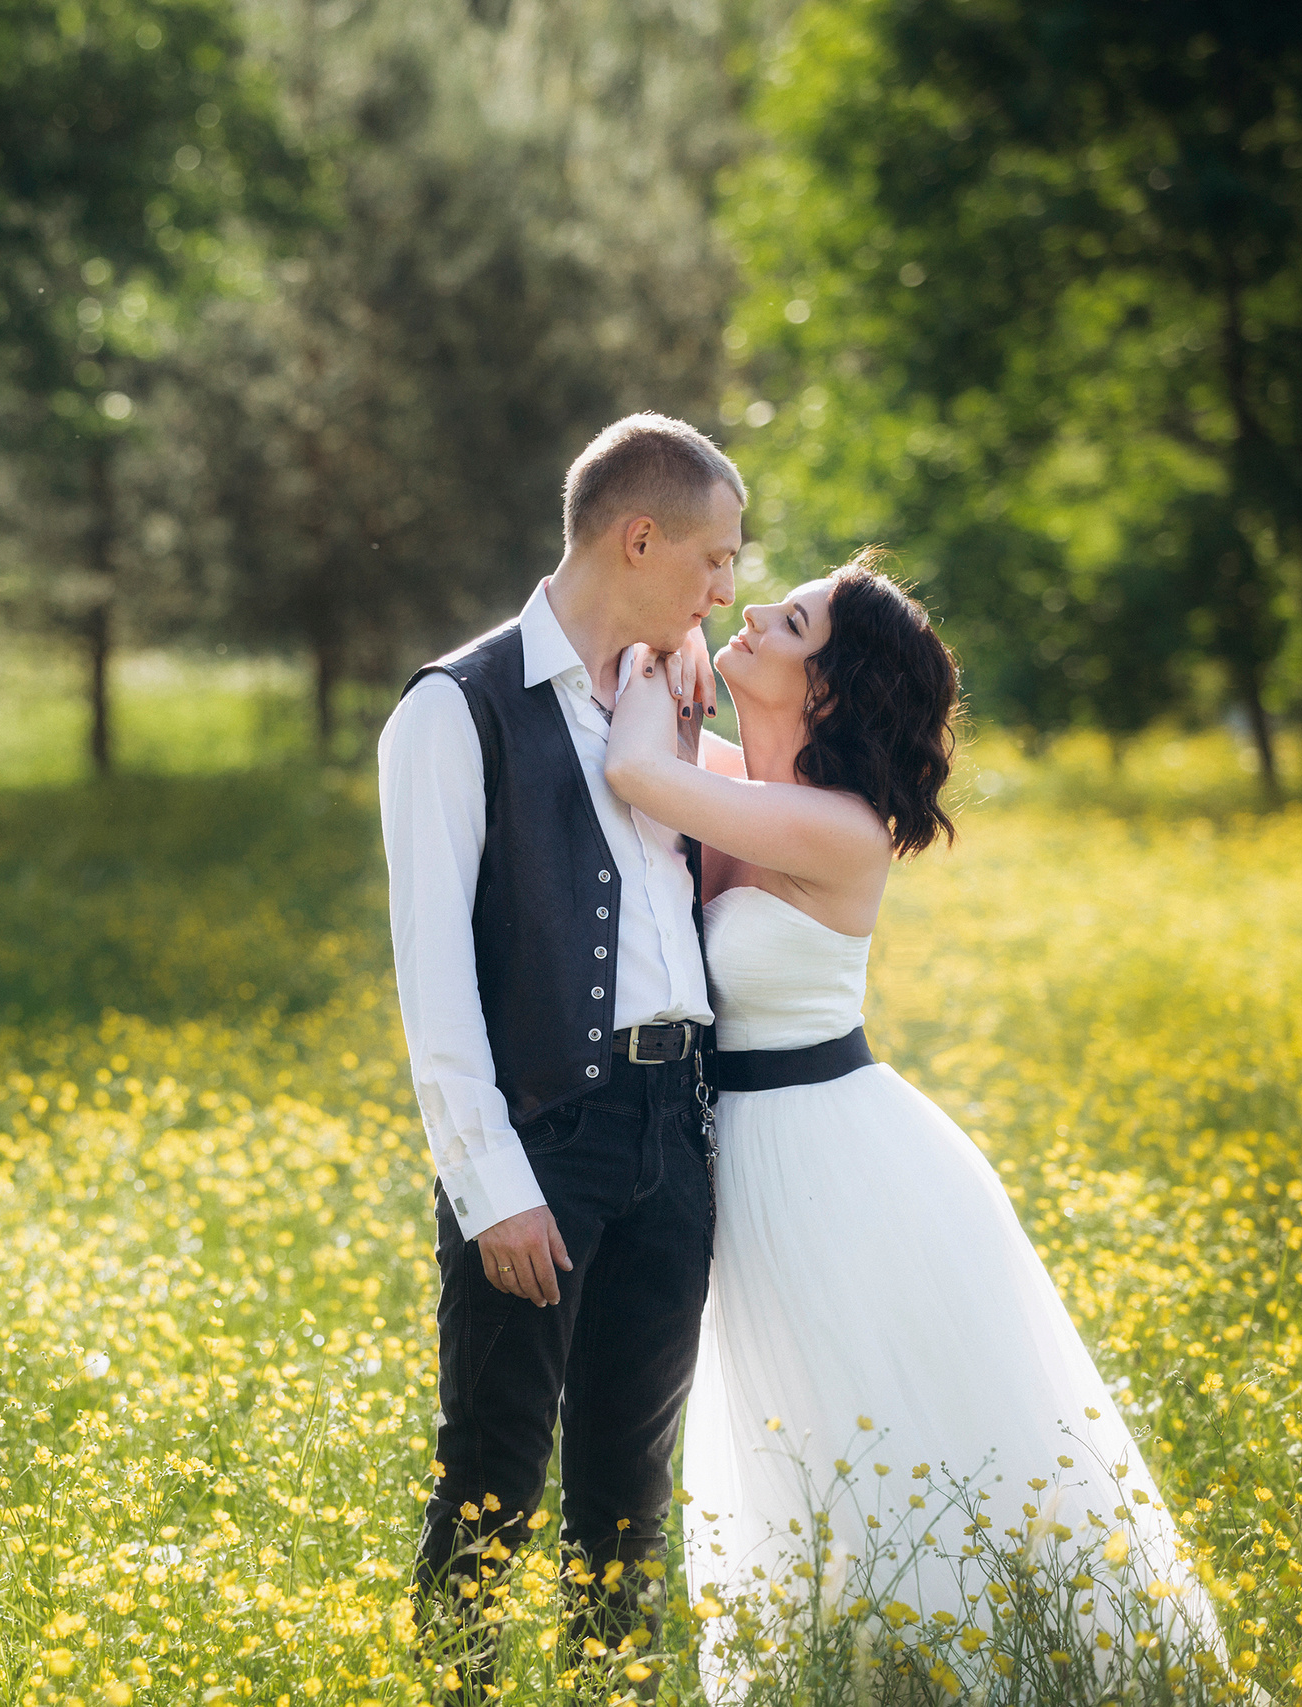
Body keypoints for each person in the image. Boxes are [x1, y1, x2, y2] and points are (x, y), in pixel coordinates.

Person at [597, 549, 1225, 1692]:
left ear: (826, 691)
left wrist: (657, 647)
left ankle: (984, 1665)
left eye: (788, 625)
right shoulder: (748, 788)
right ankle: (853, 1672)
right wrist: (671, 651)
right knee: (801, 1427)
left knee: (881, 1423)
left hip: (836, 1161)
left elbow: (635, 767)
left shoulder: (838, 827)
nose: (749, 617)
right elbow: (668, 763)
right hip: (751, 1159)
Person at [377, 412, 741, 1693]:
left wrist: (687, 685)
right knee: (492, 1477)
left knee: (630, 1499)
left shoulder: (661, 697)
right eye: (713, 559)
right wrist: (492, 1185)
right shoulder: (455, 709)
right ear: (639, 539)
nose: (723, 591)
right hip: (544, 1142)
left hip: (670, 1134)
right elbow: (432, 980)